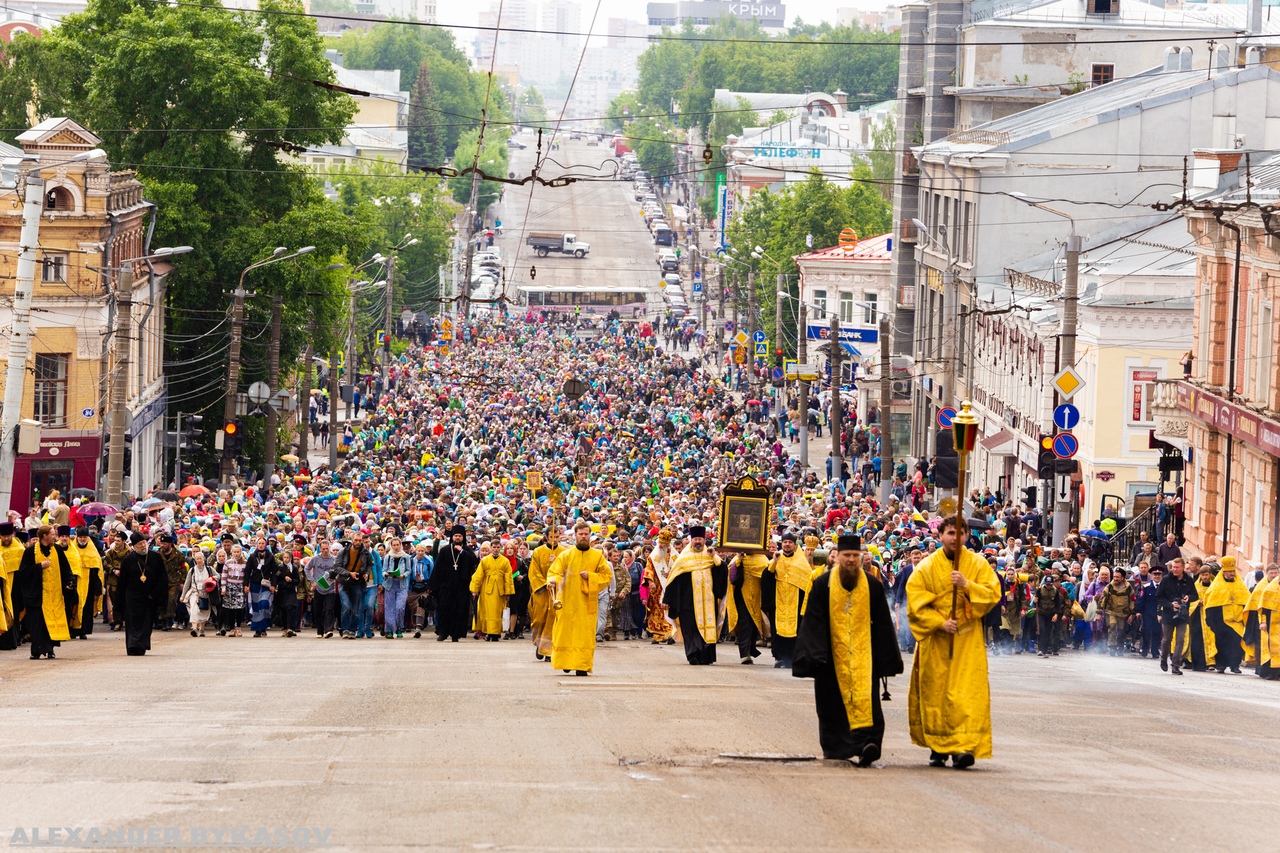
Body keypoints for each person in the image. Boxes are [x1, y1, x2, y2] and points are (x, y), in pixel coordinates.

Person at [794, 534, 903, 766]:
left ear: (862, 557)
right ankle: (837, 747)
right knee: (832, 706)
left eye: (855, 555)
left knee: (867, 701)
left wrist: (886, 659)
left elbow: (882, 623)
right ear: (837, 558)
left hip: (864, 658)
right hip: (831, 657)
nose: (852, 560)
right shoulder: (823, 584)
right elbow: (813, 621)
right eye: (847, 556)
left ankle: (867, 745)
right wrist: (815, 654)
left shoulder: (872, 585)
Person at [906, 517, 1001, 769]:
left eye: (960, 533)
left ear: (967, 535)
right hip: (936, 641)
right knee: (936, 692)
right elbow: (915, 603)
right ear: (940, 536)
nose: (954, 538)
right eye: (950, 532)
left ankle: (962, 747)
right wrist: (939, 622)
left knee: (966, 694)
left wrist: (967, 585)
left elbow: (993, 593)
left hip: (967, 639)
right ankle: (938, 747)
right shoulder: (925, 567)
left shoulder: (978, 564)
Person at [546, 520, 612, 675]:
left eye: (586, 534)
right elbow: (554, 572)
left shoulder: (597, 556)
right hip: (567, 600)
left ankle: (582, 665)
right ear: (575, 535)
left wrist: (591, 576)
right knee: (565, 632)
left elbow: (606, 576)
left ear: (590, 536)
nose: (583, 537)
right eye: (580, 534)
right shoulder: (566, 555)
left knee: (584, 635)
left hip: (586, 603)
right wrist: (552, 581)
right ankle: (567, 662)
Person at [663, 526, 728, 665]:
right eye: (695, 539)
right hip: (688, 602)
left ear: (704, 540)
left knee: (707, 627)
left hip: (708, 601)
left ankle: (706, 656)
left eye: (700, 539)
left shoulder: (710, 555)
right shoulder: (683, 558)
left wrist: (714, 556)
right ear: (691, 540)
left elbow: (722, 573)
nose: (698, 541)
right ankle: (693, 654)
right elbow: (673, 580)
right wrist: (667, 599)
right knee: (690, 629)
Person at [12, 524, 74, 660]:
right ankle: (37, 650)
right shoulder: (30, 552)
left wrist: (69, 582)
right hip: (37, 596)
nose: (54, 537)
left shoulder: (57, 550)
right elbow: (23, 572)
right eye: (52, 534)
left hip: (54, 594)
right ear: (44, 536)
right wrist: (39, 566)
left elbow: (66, 569)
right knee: (38, 624)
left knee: (51, 623)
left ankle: (50, 649)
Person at [117, 532, 168, 656]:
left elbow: (162, 578)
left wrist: (155, 594)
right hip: (132, 596)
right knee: (132, 623)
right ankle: (132, 646)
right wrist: (119, 602)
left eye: (144, 543)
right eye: (139, 544)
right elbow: (122, 582)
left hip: (148, 596)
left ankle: (142, 645)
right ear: (134, 546)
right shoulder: (128, 560)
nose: (143, 546)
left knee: (146, 622)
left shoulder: (155, 557)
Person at [767, 531, 813, 669]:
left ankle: (793, 657)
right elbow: (767, 577)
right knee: (777, 628)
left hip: (796, 601)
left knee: (796, 629)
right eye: (785, 542)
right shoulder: (776, 558)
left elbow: (808, 581)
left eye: (790, 543)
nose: (787, 545)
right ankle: (779, 657)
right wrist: (774, 562)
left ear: (794, 545)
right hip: (779, 599)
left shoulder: (801, 561)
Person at [429, 525, 478, 642]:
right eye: (455, 536)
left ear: (463, 537)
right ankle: (443, 633)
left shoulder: (467, 550)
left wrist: (462, 553)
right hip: (446, 586)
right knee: (444, 609)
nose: (457, 538)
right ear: (452, 537)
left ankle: (456, 634)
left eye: (460, 536)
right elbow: (437, 568)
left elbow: (474, 562)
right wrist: (432, 586)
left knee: (459, 610)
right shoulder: (445, 550)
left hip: (461, 587)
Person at [1204, 555, 1249, 674]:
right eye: (1229, 571)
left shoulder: (1240, 586)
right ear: (1224, 572)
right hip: (1222, 621)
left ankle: (1235, 665)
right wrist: (1213, 622)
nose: (1231, 574)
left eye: (1233, 571)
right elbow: (1211, 604)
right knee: (1222, 644)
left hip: (1238, 621)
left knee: (1236, 644)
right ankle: (1221, 665)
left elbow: (1247, 603)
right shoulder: (1217, 586)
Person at [528, 525, 567, 660]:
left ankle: (549, 649)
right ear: (546, 537)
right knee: (539, 619)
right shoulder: (538, 552)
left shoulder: (564, 552)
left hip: (557, 591)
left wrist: (556, 575)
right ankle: (539, 644)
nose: (554, 540)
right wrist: (545, 583)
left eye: (556, 537)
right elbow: (534, 571)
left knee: (553, 619)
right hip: (542, 591)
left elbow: (567, 571)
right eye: (551, 537)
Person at [1157, 557, 1196, 676]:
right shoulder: (1166, 579)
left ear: (1183, 568)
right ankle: (1163, 658)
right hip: (1168, 614)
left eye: (1177, 567)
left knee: (1180, 640)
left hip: (1182, 614)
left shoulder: (1188, 580)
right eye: (1173, 567)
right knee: (1166, 639)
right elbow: (1159, 597)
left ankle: (1175, 665)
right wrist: (1170, 605)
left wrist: (1188, 598)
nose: (1175, 569)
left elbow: (1195, 595)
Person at [470, 538, 514, 641]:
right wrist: (475, 589)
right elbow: (478, 575)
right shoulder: (485, 560)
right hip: (487, 589)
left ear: (501, 548)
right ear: (491, 548)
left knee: (498, 612)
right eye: (494, 547)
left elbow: (508, 578)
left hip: (500, 590)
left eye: (498, 547)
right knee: (487, 611)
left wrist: (508, 592)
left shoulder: (505, 561)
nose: (496, 549)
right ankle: (488, 631)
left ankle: (496, 632)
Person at [730, 551, 769, 664]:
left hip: (757, 597)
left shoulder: (762, 558)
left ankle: (751, 649)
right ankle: (744, 653)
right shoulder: (738, 558)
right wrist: (738, 560)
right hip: (741, 596)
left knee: (753, 624)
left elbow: (768, 573)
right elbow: (732, 576)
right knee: (744, 623)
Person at [641, 529, 676, 645]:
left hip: (670, 587)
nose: (661, 545)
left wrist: (670, 572)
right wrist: (650, 582)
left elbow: (679, 569)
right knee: (656, 610)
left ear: (668, 543)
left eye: (663, 543)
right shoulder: (653, 555)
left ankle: (670, 633)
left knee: (668, 609)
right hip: (656, 588)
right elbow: (649, 569)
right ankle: (657, 635)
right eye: (660, 542)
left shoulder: (675, 555)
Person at [336, 531, 373, 639]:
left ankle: (353, 630)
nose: (358, 542)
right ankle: (345, 629)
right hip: (344, 581)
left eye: (360, 540)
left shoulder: (366, 553)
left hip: (357, 582)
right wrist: (349, 573)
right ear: (352, 540)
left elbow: (370, 564)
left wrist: (366, 573)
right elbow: (337, 567)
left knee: (356, 609)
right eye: (356, 540)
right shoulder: (343, 552)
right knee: (346, 606)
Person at [1097, 568, 1135, 656]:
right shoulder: (1109, 587)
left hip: (1123, 613)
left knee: (1121, 630)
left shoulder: (1128, 588)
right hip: (1111, 612)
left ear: (1122, 578)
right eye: (1114, 577)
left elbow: (1132, 601)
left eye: (1118, 577)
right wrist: (1099, 612)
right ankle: (1112, 647)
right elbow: (1102, 599)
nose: (1115, 579)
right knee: (1112, 626)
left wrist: (1132, 614)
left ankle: (1120, 646)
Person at [181, 549, 219, 637]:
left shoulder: (209, 569)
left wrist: (212, 578)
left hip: (206, 594)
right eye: (197, 559)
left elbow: (218, 576)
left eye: (200, 558)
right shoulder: (192, 570)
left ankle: (201, 629)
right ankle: (194, 628)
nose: (199, 560)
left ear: (203, 559)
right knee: (194, 610)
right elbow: (187, 583)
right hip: (194, 593)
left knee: (203, 611)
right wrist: (183, 595)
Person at [306, 540, 339, 638]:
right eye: (323, 549)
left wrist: (335, 576)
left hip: (330, 588)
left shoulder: (334, 559)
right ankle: (320, 631)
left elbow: (338, 570)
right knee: (318, 610)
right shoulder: (315, 559)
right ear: (320, 549)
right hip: (319, 588)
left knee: (329, 609)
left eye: (327, 548)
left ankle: (328, 630)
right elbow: (307, 569)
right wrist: (312, 581)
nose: (325, 550)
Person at [382, 537, 412, 639]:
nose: (395, 547)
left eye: (397, 545)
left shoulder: (406, 557)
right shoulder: (388, 557)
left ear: (400, 545)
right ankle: (390, 629)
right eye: (394, 545)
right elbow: (383, 570)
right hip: (390, 584)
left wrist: (403, 575)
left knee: (400, 607)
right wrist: (386, 574)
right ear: (391, 546)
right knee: (389, 607)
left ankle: (399, 626)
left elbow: (409, 570)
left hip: (401, 584)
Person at [218, 544, 248, 637]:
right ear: (232, 552)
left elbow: (247, 576)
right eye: (234, 552)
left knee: (239, 608)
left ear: (241, 552)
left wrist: (246, 586)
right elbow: (224, 576)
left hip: (240, 586)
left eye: (238, 552)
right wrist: (223, 588)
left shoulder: (245, 563)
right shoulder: (228, 562)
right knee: (230, 609)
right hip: (229, 587)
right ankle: (231, 628)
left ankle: (238, 628)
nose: (236, 554)